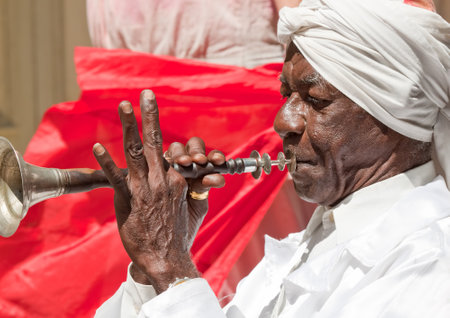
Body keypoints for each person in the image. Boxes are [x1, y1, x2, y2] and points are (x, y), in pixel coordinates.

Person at [94, 0, 450, 316]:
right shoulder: (300, 251)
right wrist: (149, 269)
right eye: (286, 93)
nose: (284, 121)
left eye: (316, 100)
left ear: (394, 112)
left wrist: (171, 271)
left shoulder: (431, 262)